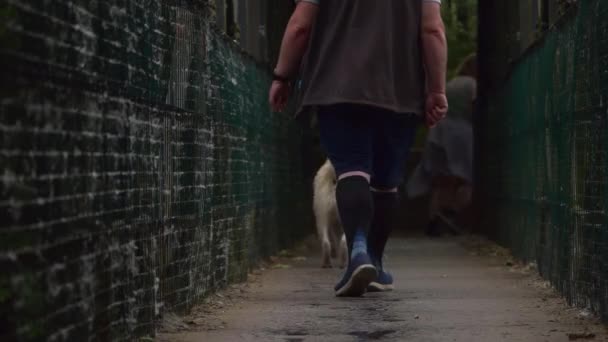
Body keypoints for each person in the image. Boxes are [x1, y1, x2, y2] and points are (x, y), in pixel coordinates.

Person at [269, 0, 447, 297]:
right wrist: (436, 90)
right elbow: (432, 29)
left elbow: (300, 25)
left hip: (336, 86)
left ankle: (359, 252)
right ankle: (374, 262)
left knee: (351, 169)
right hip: (399, 87)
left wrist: (282, 75)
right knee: (385, 182)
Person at [406, 55, 477, 237]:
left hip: (438, 133)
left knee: (441, 179)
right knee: (466, 178)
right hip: (460, 134)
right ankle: (449, 214)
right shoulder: (472, 85)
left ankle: (434, 218)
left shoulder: (450, 84)